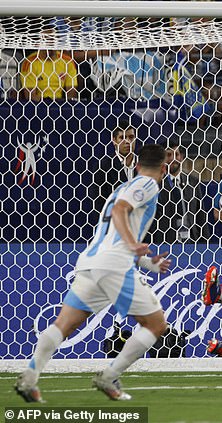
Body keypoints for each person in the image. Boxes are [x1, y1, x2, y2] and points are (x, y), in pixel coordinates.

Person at [15, 144, 172, 402]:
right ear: (164, 168)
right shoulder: (147, 184)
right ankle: (109, 376)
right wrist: (133, 245)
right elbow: (120, 210)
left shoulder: (121, 188)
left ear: (135, 164)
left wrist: (145, 263)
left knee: (63, 324)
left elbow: (112, 230)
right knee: (155, 324)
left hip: (91, 261)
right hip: (114, 264)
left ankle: (29, 379)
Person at [147, 140, 210, 243]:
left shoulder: (192, 182)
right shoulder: (154, 184)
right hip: (165, 243)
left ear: (182, 157)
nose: (173, 159)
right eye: (168, 155)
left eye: (176, 154)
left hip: (191, 242)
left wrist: (205, 244)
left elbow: (201, 216)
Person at [90, 121, 138, 217]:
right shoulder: (103, 167)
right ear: (114, 140)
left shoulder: (145, 165)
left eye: (131, 137)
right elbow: (99, 203)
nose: (127, 141)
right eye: (122, 137)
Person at [19, 27, 78, 102]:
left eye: (52, 39)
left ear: (58, 41)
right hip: (38, 105)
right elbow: (30, 96)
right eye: (45, 39)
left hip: (60, 103)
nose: (49, 43)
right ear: (39, 42)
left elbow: (71, 94)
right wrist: (48, 104)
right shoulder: (29, 62)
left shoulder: (68, 61)